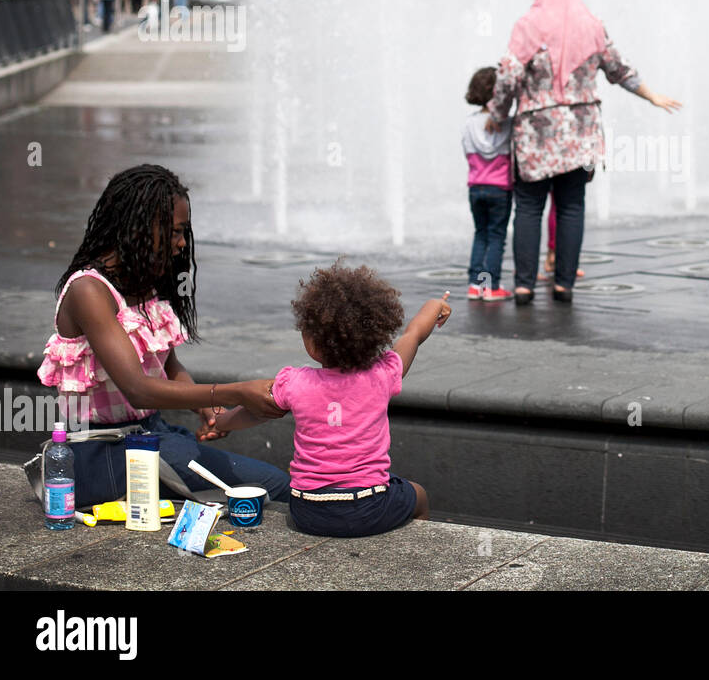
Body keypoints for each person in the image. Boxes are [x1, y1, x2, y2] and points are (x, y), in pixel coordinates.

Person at [37, 164, 290, 507]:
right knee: (272, 487)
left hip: (148, 437)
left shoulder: (144, 283)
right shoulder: (89, 291)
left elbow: (169, 366)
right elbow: (137, 389)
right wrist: (238, 391)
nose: (181, 243)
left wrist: (203, 404)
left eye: (183, 232)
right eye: (173, 232)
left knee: (266, 485)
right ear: (136, 227)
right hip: (103, 454)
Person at [214, 261, 451, 537]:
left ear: (312, 343)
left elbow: (254, 411)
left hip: (306, 510)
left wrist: (222, 423)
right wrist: (436, 305)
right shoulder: (383, 373)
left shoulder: (294, 382)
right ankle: (415, 548)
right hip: (368, 506)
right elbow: (414, 334)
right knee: (419, 496)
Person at [488, 0, 682, 304]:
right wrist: (651, 96)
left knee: (530, 208)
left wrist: (497, 112)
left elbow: (508, 74)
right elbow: (620, 70)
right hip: (582, 131)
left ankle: (523, 285)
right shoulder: (592, 25)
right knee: (572, 206)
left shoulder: (528, 25)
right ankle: (564, 283)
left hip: (537, 133)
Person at [462, 67, 514, 302]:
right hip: (500, 188)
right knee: (496, 237)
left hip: (476, 187)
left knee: (480, 234)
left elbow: (467, 151)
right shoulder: (507, 124)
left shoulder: (469, 123)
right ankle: (491, 286)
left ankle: (475, 284)